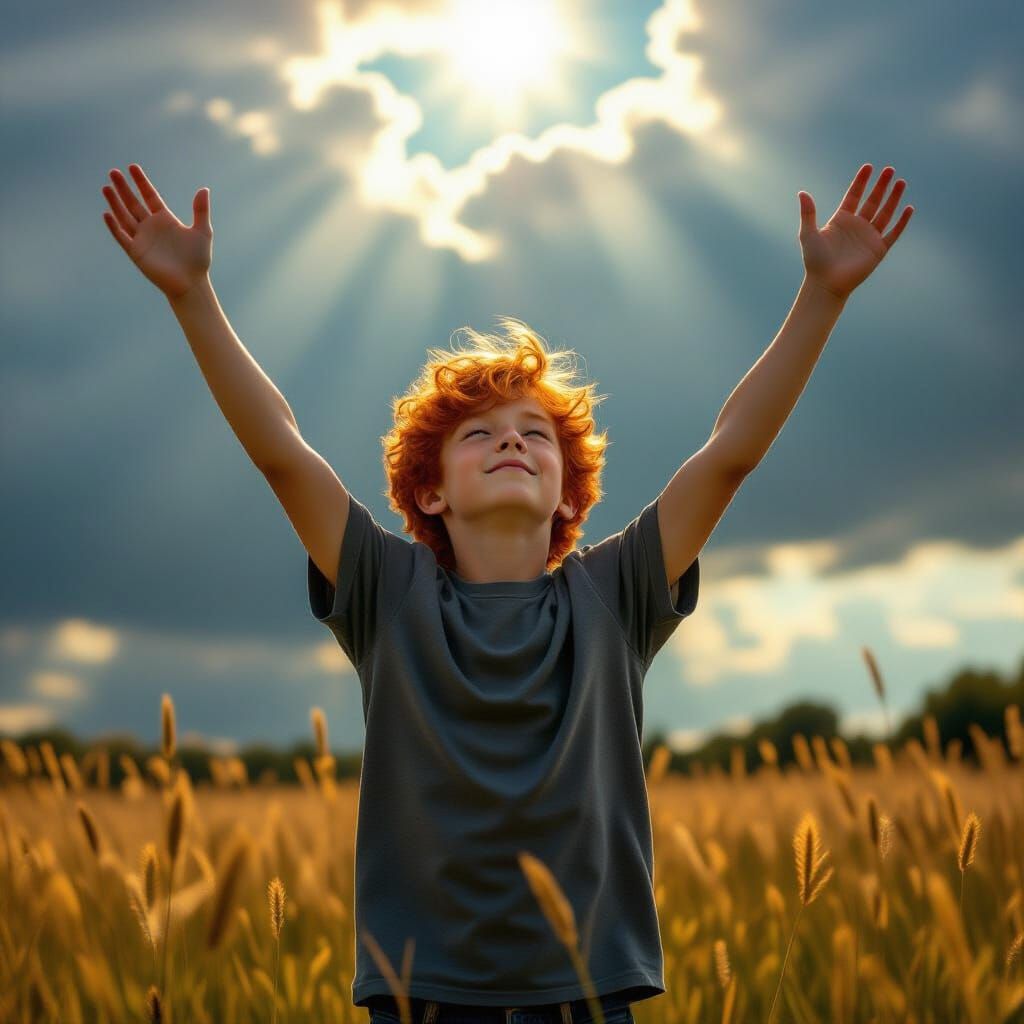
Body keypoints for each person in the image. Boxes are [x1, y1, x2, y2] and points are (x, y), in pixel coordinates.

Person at [101, 162, 913, 1023]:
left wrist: (822, 296)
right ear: (428, 493)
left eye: (536, 434)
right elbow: (282, 453)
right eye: (479, 434)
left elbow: (728, 455)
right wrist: (193, 297)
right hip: (421, 991)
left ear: (569, 492)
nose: (512, 442)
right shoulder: (387, 591)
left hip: (589, 987)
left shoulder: (616, 593)